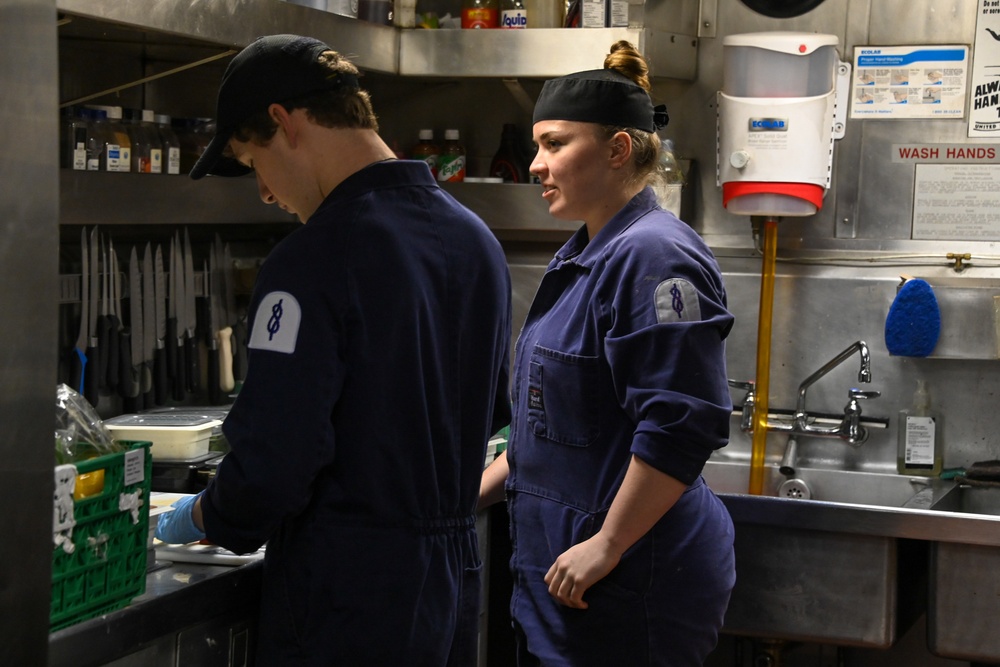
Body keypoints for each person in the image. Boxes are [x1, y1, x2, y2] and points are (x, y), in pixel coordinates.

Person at [155, 34, 513, 666]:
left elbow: (276, 459)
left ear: (282, 123)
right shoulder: (474, 238)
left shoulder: (314, 258)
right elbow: (489, 414)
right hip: (449, 580)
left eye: (252, 163)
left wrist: (206, 515)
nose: (264, 192)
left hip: (349, 595)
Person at [478, 40, 736, 666]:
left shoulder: (655, 257)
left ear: (618, 149)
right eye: (537, 144)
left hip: (631, 581)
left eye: (555, 145)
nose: (535, 164)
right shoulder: (581, 257)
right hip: (562, 578)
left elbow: (683, 424)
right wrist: (469, 494)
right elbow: (551, 431)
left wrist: (608, 544)